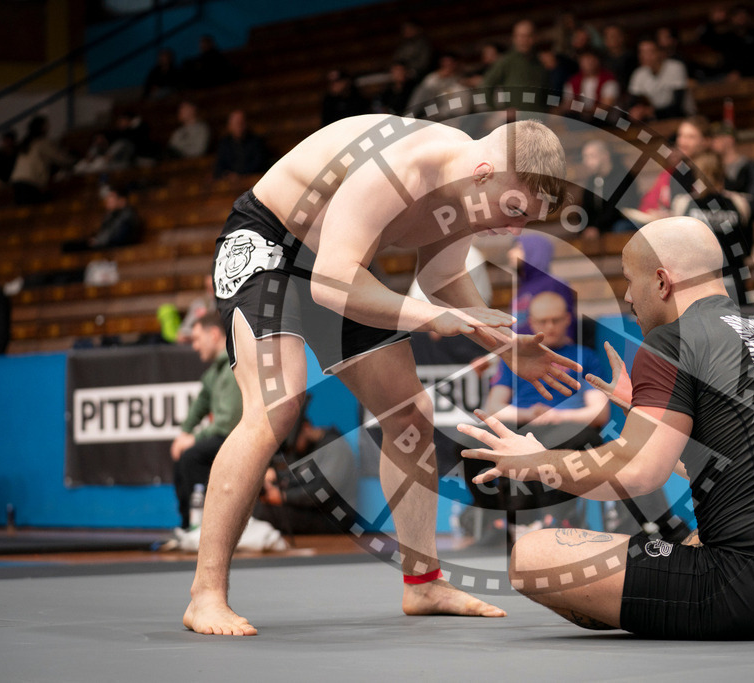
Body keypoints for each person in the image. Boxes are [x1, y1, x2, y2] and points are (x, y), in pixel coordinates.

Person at [186, 115, 581, 635]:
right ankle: (205, 594)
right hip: (268, 244)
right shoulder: (403, 164)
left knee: (409, 411)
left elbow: (440, 279)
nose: (512, 230)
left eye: (525, 220)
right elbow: (333, 284)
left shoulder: (468, 194)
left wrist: (506, 346)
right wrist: (431, 319)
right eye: (512, 211)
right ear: (484, 172)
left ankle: (424, 584)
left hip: (334, 263)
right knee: (275, 406)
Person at [458, 216, 754, 639]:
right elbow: (736, 469)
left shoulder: (672, 340)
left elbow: (638, 473)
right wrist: (646, 411)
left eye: (630, 281)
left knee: (532, 556)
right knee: (691, 541)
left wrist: (535, 461)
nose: (628, 297)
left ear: (662, 281)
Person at [482, 290, 609, 537]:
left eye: (556, 320)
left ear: (567, 319)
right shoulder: (514, 357)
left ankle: (557, 518)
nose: (549, 327)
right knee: (468, 444)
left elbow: (599, 413)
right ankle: (499, 520)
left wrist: (558, 417)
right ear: (530, 322)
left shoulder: (585, 357)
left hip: (566, 428)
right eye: (542, 321)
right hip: (525, 424)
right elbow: (492, 408)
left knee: (562, 440)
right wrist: (529, 413)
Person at [171, 310, 242, 530]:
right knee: (183, 453)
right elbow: (200, 404)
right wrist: (184, 432)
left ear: (213, 334)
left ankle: (203, 526)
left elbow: (227, 423)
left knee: (193, 455)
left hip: (238, 438)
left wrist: (193, 438)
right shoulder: (214, 373)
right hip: (224, 437)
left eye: (197, 339)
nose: (194, 346)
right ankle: (187, 525)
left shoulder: (233, 366)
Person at [669, 151, 751, 303]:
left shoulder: (684, 203)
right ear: (722, 172)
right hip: (733, 281)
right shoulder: (739, 203)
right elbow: (746, 244)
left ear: (696, 174)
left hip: (697, 284)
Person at [507, 233, 577, 341]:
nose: (511, 253)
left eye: (519, 248)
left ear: (535, 252)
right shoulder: (524, 287)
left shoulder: (553, 284)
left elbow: (566, 329)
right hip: (520, 351)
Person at [638, 116, 712, 217]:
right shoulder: (679, 171)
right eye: (681, 136)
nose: (683, 142)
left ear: (705, 141)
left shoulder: (712, 169)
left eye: (691, 137)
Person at [578, 139, 638, 238]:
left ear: (605, 156)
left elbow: (618, 209)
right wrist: (588, 227)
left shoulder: (623, 177)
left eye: (591, 156)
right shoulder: (592, 180)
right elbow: (586, 207)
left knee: (620, 228)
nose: (586, 162)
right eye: (585, 157)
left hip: (619, 222)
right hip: (599, 227)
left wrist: (597, 227)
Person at [9, 115, 74, 205]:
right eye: (47, 126)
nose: (49, 128)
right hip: (30, 183)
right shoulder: (42, 143)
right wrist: (74, 161)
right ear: (42, 128)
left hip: (17, 182)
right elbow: (61, 158)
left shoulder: (26, 143)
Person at [627, 37, 695, 120]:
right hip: (657, 119)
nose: (646, 56)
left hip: (682, 116)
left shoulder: (676, 67)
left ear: (659, 52)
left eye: (650, 52)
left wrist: (650, 112)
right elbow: (632, 102)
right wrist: (636, 111)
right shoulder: (639, 73)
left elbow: (677, 104)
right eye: (642, 52)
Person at [62, 184, 142, 252]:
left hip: (113, 248)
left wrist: (98, 242)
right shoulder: (112, 215)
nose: (107, 200)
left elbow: (120, 239)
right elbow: (104, 232)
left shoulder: (127, 216)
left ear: (121, 200)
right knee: (69, 246)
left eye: (111, 197)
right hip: (104, 244)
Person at [710, 121, 754, 223]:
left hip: (740, 229)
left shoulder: (749, 168)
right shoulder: (714, 168)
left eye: (716, 138)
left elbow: (753, 202)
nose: (712, 143)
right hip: (718, 224)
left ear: (729, 140)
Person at [481, 20, 547, 93]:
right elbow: (485, 85)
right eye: (521, 36)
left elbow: (550, 90)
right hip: (514, 103)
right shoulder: (506, 61)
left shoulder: (541, 61)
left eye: (529, 36)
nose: (525, 40)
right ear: (514, 38)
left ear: (535, 37)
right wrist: (492, 104)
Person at [213, 110, 270, 179]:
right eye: (236, 123)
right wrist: (227, 174)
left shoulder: (256, 142)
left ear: (245, 124)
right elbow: (219, 167)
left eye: (241, 123)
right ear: (229, 126)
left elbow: (259, 164)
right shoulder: (224, 144)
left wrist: (240, 174)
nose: (239, 126)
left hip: (252, 180)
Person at [562, 49, 620, 116]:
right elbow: (568, 103)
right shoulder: (573, 81)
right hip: (578, 118)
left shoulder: (609, 80)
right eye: (585, 60)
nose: (589, 63)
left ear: (598, 61)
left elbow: (606, 107)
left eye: (591, 60)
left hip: (603, 120)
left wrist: (582, 109)